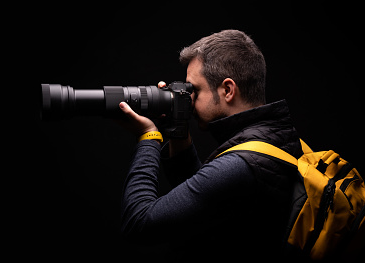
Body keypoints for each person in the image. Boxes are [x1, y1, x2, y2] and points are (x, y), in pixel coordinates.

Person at [118, 29, 303, 261]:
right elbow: (205, 198)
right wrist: (178, 132)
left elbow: (138, 223)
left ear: (227, 90)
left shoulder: (240, 165)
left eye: (194, 90)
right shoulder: (275, 140)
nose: (189, 98)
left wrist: (148, 136)